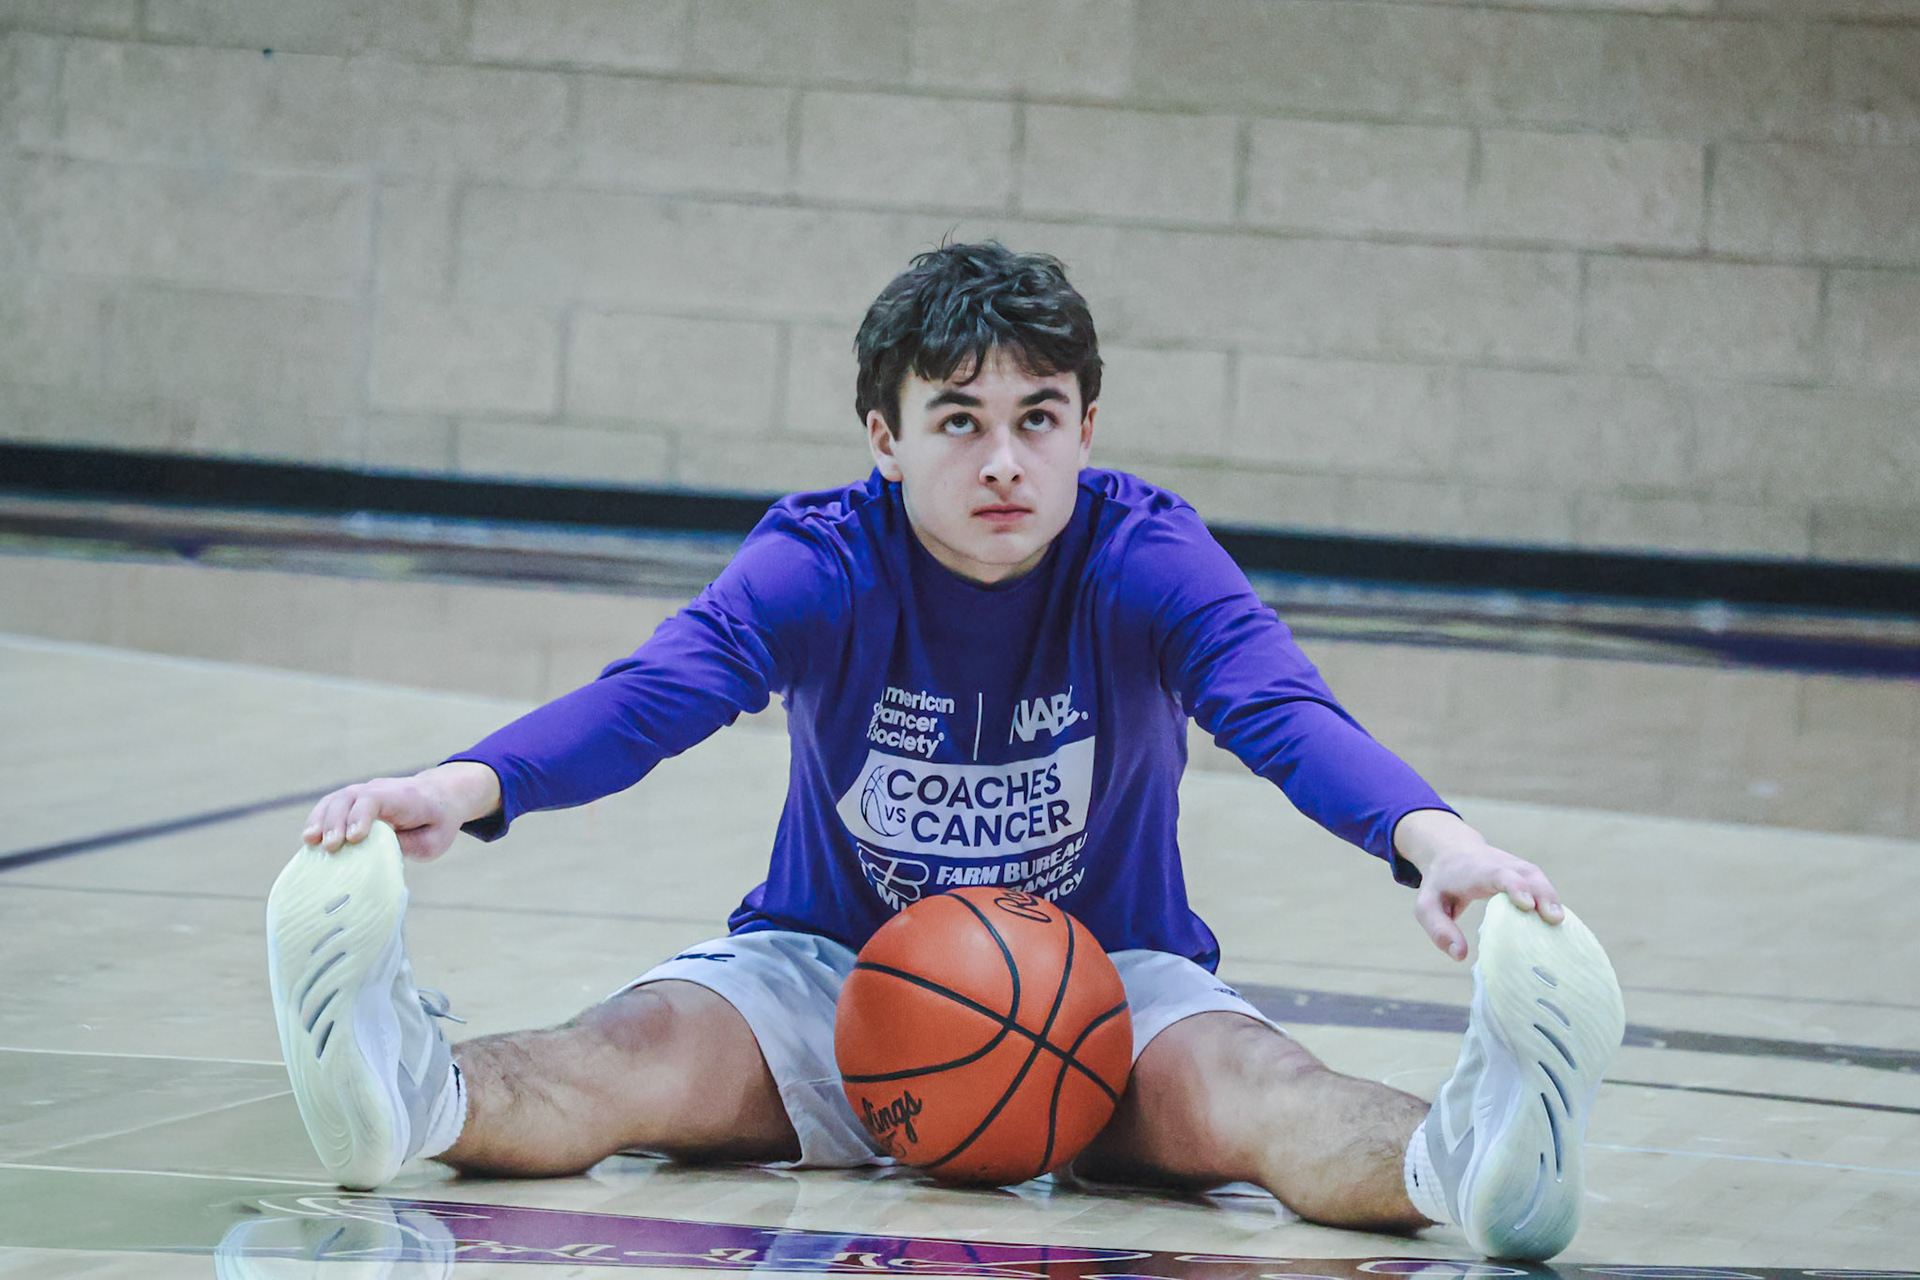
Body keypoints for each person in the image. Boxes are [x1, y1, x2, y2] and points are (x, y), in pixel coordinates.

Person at [269, 241, 1624, 1260]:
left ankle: (1481, 1157)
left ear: (1087, 428)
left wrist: (1440, 844)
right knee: (631, 1052)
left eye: (1039, 418)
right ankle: (410, 1091)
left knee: (1263, 1097)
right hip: (829, 970)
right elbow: (655, 695)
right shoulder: (821, 559)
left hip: (1102, 987)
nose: (1003, 462)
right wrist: (459, 788)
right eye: (959, 420)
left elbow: (1284, 710)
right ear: (886, 436)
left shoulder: (1145, 555)